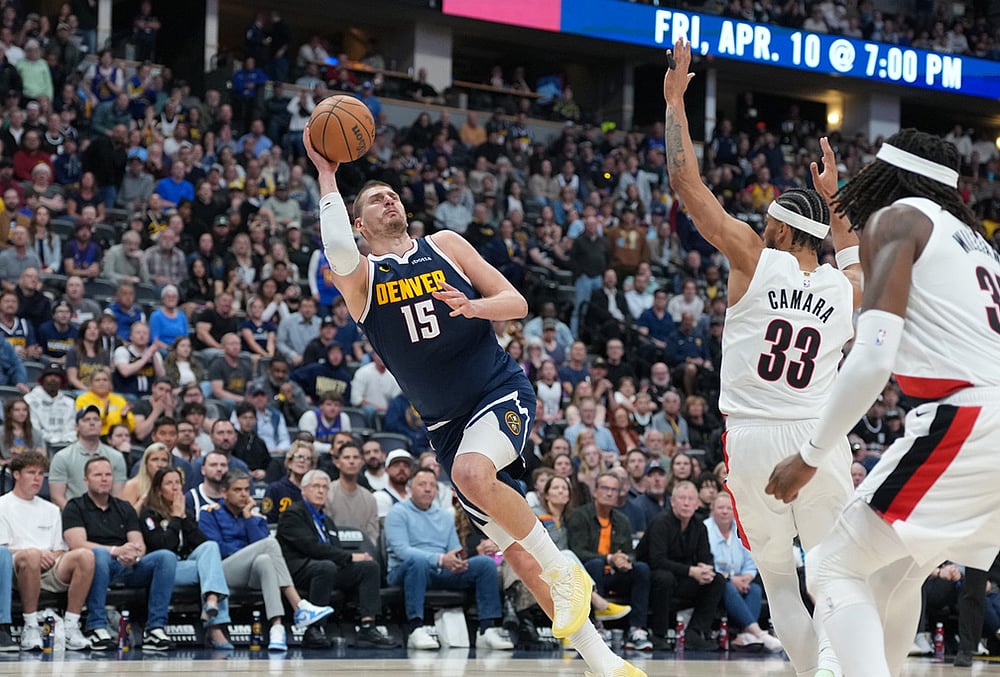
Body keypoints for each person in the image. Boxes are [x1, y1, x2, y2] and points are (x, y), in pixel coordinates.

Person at [304, 132, 636, 677]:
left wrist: (473, 306)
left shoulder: (446, 245)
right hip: (446, 425)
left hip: (498, 389)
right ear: (359, 224)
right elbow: (337, 248)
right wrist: (326, 176)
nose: (390, 200)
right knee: (520, 558)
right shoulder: (361, 279)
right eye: (375, 200)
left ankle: (567, 570)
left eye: (392, 195)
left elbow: (518, 301)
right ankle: (606, 664)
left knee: (475, 476)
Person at [764, 127, 1000, 677]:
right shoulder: (975, 243)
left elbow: (870, 360)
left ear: (891, 176)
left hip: (965, 417)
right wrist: (833, 200)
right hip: (989, 420)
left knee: (830, 567)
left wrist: (811, 454)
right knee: (892, 575)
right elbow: (868, 272)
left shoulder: (896, 221)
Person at [663, 38, 861, 677]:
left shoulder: (752, 255)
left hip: (751, 440)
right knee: (833, 569)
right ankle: (835, 663)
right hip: (820, 441)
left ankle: (816, 669)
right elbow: (853, 258)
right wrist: (836, 203)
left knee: (777, 579)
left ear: (775, 228)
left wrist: (674, 102)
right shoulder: (843, 286)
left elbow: (685, 182)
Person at [198, 469, 334, 651]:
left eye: (247, 489)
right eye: (238, 490)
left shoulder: (255, 517)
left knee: (265, 561)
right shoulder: (209, 513)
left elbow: (263, 549)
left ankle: (276, 628)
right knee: (268, 545)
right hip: (221, 573)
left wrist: (248, 518)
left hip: (250, 573)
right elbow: (216, 549)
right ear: (224, 493)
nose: (244, 494)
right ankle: (299, 606)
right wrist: (248, 552)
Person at [385, 467, 513, 651]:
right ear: (410, 488)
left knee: (484, 564)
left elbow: (455, 549)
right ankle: (416, 629)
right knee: (418, 562)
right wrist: (440, 559)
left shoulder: (445, 515)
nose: (428, 489)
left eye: (432, 485)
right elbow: (402, 551)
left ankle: (486, 630)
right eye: (422, 484)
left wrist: (457, 560)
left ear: (437, 490)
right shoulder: (397, 512)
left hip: (441, 569)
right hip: (405, 571)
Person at [62, 456, 178, 651]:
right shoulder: (75, 506)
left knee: (165, 557)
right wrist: (116, 551)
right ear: (86, 480)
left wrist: (133, 553)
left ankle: (154, 629)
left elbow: (138, 542)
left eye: (108, 474)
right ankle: (96, 626)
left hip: (126, 565)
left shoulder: (124, 507)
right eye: (98, 475)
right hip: (94, 566)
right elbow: (77, 543)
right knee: (98, 555)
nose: (104, 479)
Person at [276, 469, 396, 648]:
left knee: (368, 566)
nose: (321, 491)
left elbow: (334, 550)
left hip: (324, 567)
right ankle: (313, 629)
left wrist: (352, 559)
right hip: (297, 569)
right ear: (303, 490)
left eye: (325, 487)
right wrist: (349, 556)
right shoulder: (293, 513)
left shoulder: (327, 520)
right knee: (325, 567)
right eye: (316, 486)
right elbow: (311, 548)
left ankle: (367, 626)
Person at [0, 452, 94, 651]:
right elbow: (3, 551)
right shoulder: (2, 505)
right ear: (16, 475)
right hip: (18, 566)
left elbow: (60, 548)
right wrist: (36, 553)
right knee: (32, 556)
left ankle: (71, 625)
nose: (37, 478)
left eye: (41, 474)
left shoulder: (51, 509)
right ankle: (31, 626)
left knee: (85, 556)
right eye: (31, 473)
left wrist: (52, 556)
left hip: (50, 564)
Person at [139, 466, 233, 649]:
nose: (175, 488)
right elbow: (164, 546)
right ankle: (215, 626)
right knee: (213, 571)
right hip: (162, 572)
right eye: (169, 483)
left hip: (185, 565)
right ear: (158, 489)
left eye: (177, 483)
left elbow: (201, 543)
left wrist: (183, 517)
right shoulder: (148, 515)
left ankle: (212, 600)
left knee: (211, 547)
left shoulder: (185, 512)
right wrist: (175, 518)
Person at [568, 472, 653, 652]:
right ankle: (597, 627)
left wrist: (626, 560)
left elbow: (630, 552)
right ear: (596, 492)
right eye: (605, 489)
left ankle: (637, 630)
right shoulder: (580, 515)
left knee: (641, 569)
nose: (609, 493)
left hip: (615, 575)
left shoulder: (622, 520)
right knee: (595, 565)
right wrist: (609, 558)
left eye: (614, 490)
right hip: (588, 575)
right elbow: (577, 551)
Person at [637, 480, 727, 651]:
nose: (686, 503)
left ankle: (694, 632)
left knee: (717, 580)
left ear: (697, 504)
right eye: (682, 498)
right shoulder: (661, 523)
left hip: (684, 578)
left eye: (691, 499)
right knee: (665, 578)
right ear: (673, 502)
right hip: (653, 577)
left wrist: (706, 569)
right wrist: (691, 571)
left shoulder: (699, 526)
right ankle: (659, 634)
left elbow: (705, 557)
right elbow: (657, 560)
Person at [48, 405, 128, 509]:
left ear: (101, 424)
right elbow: (57, 497)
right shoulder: (62, 457)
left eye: (96, 419)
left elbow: (118, 496)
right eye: (86, 420)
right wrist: (76, 516)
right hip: (73, 518)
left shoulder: (116, 457)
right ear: (76, 427)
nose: (92, 423)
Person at [325, 441, 379, 544]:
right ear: (337, 462)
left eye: (355, 457)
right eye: (346, 458)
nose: (351, 461)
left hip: (363, 553)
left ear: (362, 462)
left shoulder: (369, 499)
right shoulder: (327, 493)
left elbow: (373, 537)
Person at [24, 363, 77, 448]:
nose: (53, 379)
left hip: (66, 445)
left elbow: (70, 428)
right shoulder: (29, 400)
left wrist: (62, 442)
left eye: (57, 376)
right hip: (37, 445)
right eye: (49, 376)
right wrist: (53, 440)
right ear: (42, 379)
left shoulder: (70, 403)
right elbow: (34, 429)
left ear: (62, 380)